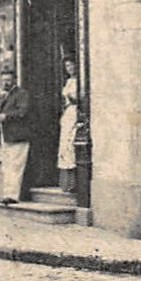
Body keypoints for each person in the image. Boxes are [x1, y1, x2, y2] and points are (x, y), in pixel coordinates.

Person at [0, 70, 31, 205]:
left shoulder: (21, 94)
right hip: (5, 135)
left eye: (8, 80)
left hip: (17, 135)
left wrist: (6, 116)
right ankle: (7, 194)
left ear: (14, 80)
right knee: (6, 166)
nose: (5, 82)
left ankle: (13, 196)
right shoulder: (5, 95)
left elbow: (23, 111)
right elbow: (0, 111)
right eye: (4, 80)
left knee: (15, 165)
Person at [57, 59, 80, 192]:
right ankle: (66, 183)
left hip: (75, 111)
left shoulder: (79, 81)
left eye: (72, 65)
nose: (69, 68)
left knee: (71, 144)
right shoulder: (68, 81)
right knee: (64, 146)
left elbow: (79, 98)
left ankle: (74, 183)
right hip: (68, 112)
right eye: (67, 66)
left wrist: (72, 98)